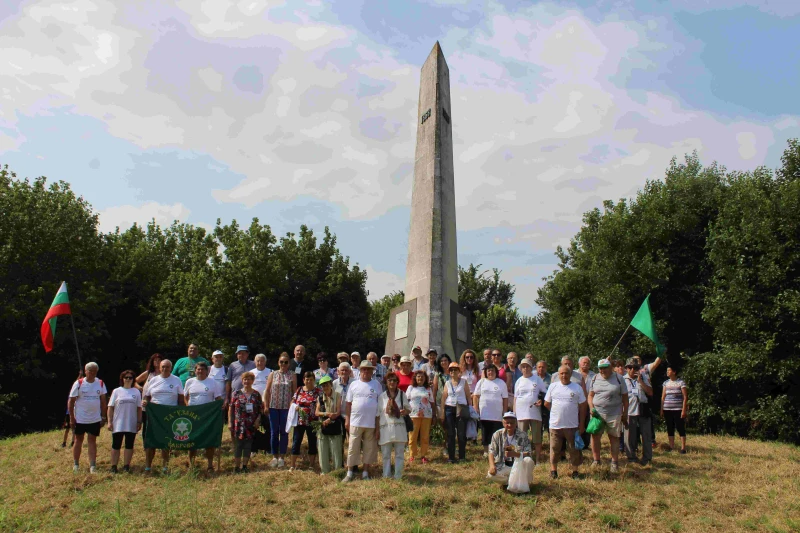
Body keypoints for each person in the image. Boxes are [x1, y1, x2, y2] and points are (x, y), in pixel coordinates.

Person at [544, 364, 587, 479]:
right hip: (555, 425)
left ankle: (575, 471)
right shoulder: (553, 386)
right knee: (554, 448)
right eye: (561, 373)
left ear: (570, 374)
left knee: (574, 449)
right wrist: (556, 410)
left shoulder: (577, 388)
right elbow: (546, 403)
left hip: (572, 425)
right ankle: (553, 471)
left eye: (566, 373)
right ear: (558, 375)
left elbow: (583, 406)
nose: (564, 375)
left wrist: (581, 424)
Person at [143, 359, 185, 473]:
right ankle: (148, 467)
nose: (165, 369)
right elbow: (147, 396)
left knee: (166, 442)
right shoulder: (153, 380)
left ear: (171, 368)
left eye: (167, 367)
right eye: (163, 367)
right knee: (151, 441)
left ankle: (165, 466)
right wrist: (145, 403)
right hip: (154, 415)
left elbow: (181, 399)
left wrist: (180, 413)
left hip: (170, 415)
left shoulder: (176, 380)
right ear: (159, 368)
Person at [342, 360, 382, 482]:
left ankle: (365, 472)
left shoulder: (377, 385)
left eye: (368, 369)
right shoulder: (354, 385)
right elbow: (348, 404)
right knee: (353, 447)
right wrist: (347, 419)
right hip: (355, 422)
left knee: (368, 448)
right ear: (360, 371)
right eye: (364, 369)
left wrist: (378, 425)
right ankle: (349, 472)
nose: (366, 371)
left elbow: (380, 406)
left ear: (372, 371)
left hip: (371, 423)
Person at [587, 358, 628, 472]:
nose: (602, 370)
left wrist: (625, 413)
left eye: (605, 368)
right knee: (595, 437)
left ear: (610, 367)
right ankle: (596, 460)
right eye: (600, 368)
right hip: (597, 414)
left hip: (614, 413)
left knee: (614, 437)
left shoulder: (619, 378)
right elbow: (590, 395)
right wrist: (591, 407)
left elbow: (625, 398)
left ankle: (614, 462)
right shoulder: (595, 378)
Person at [68, 362, 107, 474]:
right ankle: (76, 464)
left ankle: (92, 465)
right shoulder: (79, 383)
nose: (92, 373)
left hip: (94, 418)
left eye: (94, 371)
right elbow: (71, 401)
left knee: (92, 440)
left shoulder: (100, 383)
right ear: (85, 371)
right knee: (78, 440)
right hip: (80, 419)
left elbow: (103, 401)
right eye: (90, 371)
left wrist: (103, 416)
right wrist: (72, 418)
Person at [184, 361, 224, 471]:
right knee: (192, 441)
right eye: (198, 369)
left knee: (208, 440)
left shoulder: (212, 382)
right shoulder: (189, 382)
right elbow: (185, 396)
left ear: (207, 371)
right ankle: (192, 464)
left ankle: (210, 465)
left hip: (208, 417)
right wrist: (187, 407)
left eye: (202, 369)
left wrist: (221, 406)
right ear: (195, 371)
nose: (200, 371)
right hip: (192, 415)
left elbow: (218, 399)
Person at [486, 412, 535, 491]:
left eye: (511, 423)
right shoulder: (497, 434)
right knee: (490, 474)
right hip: (503, 464)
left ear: (516, 423)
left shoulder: (523, 435)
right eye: (507, 423)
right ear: (503, 423)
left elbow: (529, 453)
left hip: (518, 465)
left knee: (528, 461)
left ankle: (524, 483)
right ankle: (510, 483)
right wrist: (492, 466)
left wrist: (516, 454)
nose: (509, 425)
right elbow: (491, 451)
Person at [264, 352, 296, 468]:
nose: (283, 364)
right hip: (273, 407)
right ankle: (274, 456)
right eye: (281, 362)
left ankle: (282, 457)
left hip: (285, 408)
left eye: (286, 362)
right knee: (273, 432)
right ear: (278, 362)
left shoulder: (292, 375)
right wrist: (266, 406)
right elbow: (267, 391)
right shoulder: (273, 374)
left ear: (289, 363)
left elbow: (294, 393)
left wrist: (292, 406)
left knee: (284, 432)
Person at [513, 358, 546, 463]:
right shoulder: (519, 381)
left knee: (536, 437)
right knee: (522, 437)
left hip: (535, 412)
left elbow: (545, 394)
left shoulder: (537, 379)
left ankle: (537, 459)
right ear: (521, 369)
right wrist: (514, 413)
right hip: (521, 412)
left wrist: (541, 400)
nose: (525, 368)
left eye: (527, 366)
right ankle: (523, 458)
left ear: (531, 368)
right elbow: (515, 398)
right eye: (523, 367)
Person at [107, 370, 141, 473]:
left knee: (129, 445)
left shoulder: (136, 392)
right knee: (116, 445)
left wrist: (139, 422)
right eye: (126, 377)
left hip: (131, 423)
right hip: (118, 423)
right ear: (122, 379)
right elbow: (110, 407)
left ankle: (126, 466)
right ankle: (114, 466)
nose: (128, 379)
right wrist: (109, 421)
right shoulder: (117, 391)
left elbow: (139, 408)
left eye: (130, 377)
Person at [229, 371, 262, 473]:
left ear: (252, 381)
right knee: (238, 445)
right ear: (242, 381)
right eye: (245, 379)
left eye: (249, 379)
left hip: (251, 424)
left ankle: (244, 466)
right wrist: (230, 422)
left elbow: (260, 410)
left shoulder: (256, 394)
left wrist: (257, 420)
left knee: (248, 446)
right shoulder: (236, 394)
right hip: (238, 423)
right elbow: (231, 409)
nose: (247, 381)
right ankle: (236, 467)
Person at [378, 372, 409, 479]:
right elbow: (378, 413)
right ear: (386, 382)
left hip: (399, 427)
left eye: (394, 380)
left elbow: (409, 409)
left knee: (399, 454)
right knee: (386, 454)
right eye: (389, 380)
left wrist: (405, 411)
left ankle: (398, 476)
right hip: (385, 427)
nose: (392, 382)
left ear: (397, 382)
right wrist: (377, 430)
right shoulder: (381, 396)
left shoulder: (402, 394)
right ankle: (386, 475)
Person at [473, 364, 509, 456]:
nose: (490, 372)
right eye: (488, 371)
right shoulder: (481, 382)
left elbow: (505, 398)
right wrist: (476, 407)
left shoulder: (501, 383)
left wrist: (504, 411)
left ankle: (496, 450)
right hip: (485, 413)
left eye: (492, 370)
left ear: (496, 372)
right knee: (485, 432)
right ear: (486, 372)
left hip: (497, 414)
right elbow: (476, 396)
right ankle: (486, 451)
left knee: (496, 433)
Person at [439, 362, 472, 463]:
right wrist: (442, 411)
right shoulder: (447, 383)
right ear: (449, 372)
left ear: (459, 371)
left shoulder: (464, 382)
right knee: (450, 433)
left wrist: (470, 408)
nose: (453, 371)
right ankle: (451, 457)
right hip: (450, 408)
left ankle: (462, 456)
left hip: (461, 408)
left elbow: (468, 396)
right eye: (451, 370)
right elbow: (444, 398)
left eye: (455, 369)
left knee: (461, 433)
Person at [623, 358, 653, 465]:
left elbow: (650, 392)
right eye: (630, 367)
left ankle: (647, 458)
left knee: (646, 435)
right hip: (630, 409)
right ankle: (631, 457)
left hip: (642, 408)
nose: (632, 370)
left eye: (635, 367)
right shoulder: (622, 380)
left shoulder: (644, 377)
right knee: (630, 435)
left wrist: (640, 381)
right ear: (626, 368)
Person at [289, 371, 321, 471]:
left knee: (312, 443)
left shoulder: (318, 392)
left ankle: (311, 465)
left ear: (314, 380)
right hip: (300, 421)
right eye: (307, 379)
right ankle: (292, 465)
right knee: (296, 442)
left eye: (311, 379)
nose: (309, 381)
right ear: (303, 380)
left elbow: (321, 405)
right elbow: (292, 402)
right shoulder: (299, 389)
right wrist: (295, 407)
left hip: (312, 421)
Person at [226, 346, 256, 443]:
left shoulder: (253, 364)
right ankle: (235, 444)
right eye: (239, 353)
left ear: (247, 354)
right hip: (236, 396)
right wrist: (227, 396)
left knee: (250, 420)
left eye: (243, 353)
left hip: (249, 396)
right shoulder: (232, 365)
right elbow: (228, 381)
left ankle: (250, 445)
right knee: (234, 420)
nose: (241, 355)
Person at [316, 375, 344, 474]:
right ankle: (325, 471)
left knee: (336, 449)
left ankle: (337, 471)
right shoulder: (319, 397)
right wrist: (326, 414)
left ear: (331, 384)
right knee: (322, 449)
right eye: (323, 386)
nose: (325, 387)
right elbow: (317, 412)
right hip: (322, 425)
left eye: (326, 385)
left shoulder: (337, 395)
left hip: (334, 424)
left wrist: (330, 418)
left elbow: (338, 412)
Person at [407, 370, 435, 464]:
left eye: (422, 377)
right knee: (412, 436)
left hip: (426, 415)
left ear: (425, 378)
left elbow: (432, 401)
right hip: (413, 415)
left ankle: (424, 455)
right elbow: (406, 400)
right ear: (415, 378)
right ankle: (412, 455)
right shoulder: (411, 388)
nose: (420, 378)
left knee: (425, 436)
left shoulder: (428, 388)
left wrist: (434, 414)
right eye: (418, 376)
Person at [661, 366, 688, 454]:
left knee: (680, 427)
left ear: (674, 372)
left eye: (669, 370)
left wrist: (684, 409)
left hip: (678, 408)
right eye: (667, 370)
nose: (667, 372)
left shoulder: (681, 382)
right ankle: (671, 446)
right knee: (670, 427)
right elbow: (663, 397)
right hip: (667, 408)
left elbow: (685, 397)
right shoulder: (665, 383)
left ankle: (683, 448)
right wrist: (661, 409)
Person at [430, 353, 452, 458]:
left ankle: (451, 445)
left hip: (452, 403)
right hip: (439, 403)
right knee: (443, 426)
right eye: (442, 361)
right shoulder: (437, 375)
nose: (443, 362)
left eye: (445, 360)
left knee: (451, 426)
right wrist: (433, 404)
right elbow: (434, 390)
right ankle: (445, 446)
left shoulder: (453, 373)